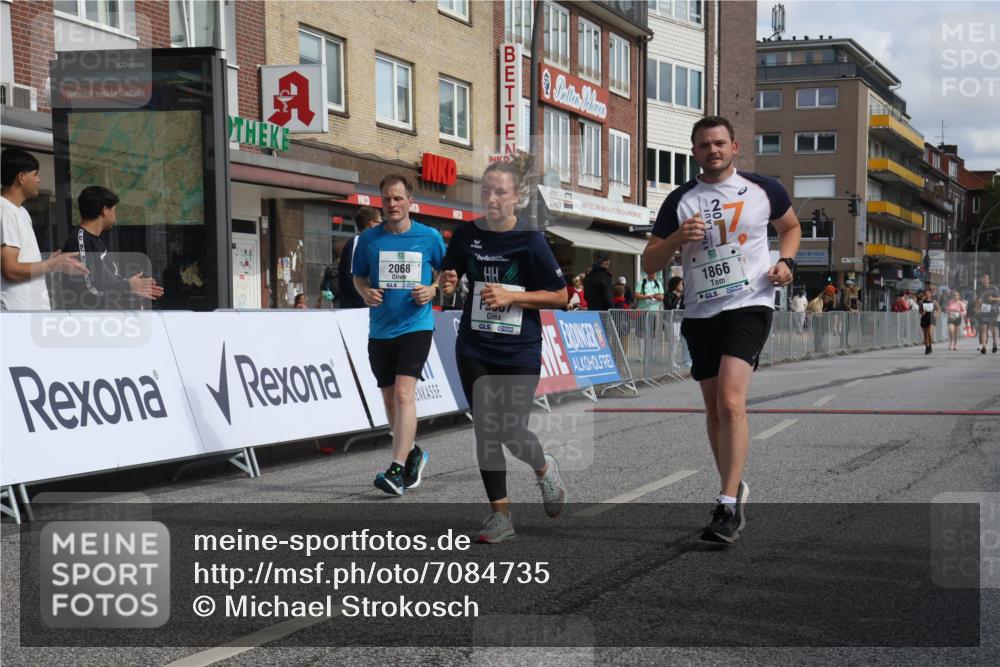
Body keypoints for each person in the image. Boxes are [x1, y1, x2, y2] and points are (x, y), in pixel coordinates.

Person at [642, 116, 801, 544]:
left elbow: (791, 227)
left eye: (719, 143)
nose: (712, 150)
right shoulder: (680, 199)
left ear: (734, 146)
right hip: (700, 311)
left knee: (732, 402)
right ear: (694, 152)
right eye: (703, 145)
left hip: (750, 303)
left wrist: (786, 262)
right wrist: (676, 237)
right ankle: (734, 486)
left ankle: (727, 505)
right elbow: (650, 263)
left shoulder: (765, 189)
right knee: (714, 409)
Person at [439, 152, 568, 543]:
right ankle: (500, 516)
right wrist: (446, 283)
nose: (491, 199)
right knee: (487, 430)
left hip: (519, 349)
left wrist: (514, 296)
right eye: (487, 192)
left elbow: (561, 296)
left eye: (500, 193)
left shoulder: (531, 240)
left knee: (512, 428)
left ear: (516, 197)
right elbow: (451, 275)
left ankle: (544, 467)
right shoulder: (466, 235)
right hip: (475, 345)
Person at [353, 174, 444, 496]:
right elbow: (359, 277)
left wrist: (432, 289)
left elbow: (447, 274)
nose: (392, 204)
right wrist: (366, 293)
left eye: (397, 198)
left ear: (410, 201)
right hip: (380, 329)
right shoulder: (369, 240)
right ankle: (413, 452)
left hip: (416, 326)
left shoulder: (430, 237)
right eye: (387, 199)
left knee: (405, 395)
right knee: (390, 400)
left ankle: (395, 469)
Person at [1, 147, 88, 311]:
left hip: (27, 313)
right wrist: (51, 265)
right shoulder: (5, 211)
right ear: (21, 177)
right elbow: (10, 270)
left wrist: (48, 261)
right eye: (35, 174)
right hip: (15, 313)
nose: (39, 179)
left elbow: (20, 262)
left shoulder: (20, 211)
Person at [55, 186, 163, 310]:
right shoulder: (80, 241)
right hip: (90, 324)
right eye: (114, 210)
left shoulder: (96, 239)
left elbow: (106, 283)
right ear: (105, 210)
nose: (115, 217)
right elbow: (87, 292)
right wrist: (127, 287)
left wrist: (132, 293)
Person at [337, 206, 381, 309]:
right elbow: (353, 277)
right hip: (356, 310)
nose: (382, 227)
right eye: (380, 223)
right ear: (372, 223)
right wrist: (366, 300)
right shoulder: (358, 242)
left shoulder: (365, 243)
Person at [974, 273, 999, 354]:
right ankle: (984, 346)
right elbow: (978, 300)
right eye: (983, 279)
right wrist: (977, 309)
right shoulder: (979, 289)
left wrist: (993, 298)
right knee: (983, 328)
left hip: (993, 310)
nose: (985, 281)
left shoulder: (994, 288)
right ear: (981, 280)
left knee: (993, 328)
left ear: (989, 280)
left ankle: (995, 343)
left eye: (986, 279)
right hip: (984, 311)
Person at [918, 288, 939, 354]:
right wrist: (922, 312)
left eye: (928, 293)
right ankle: (927, 347)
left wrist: (937, 314)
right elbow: (920, 311)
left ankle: (930, 346)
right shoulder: (922, 302)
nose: (927, 295)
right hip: (924, 319)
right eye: (925, 294)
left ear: (930, 294)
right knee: (925, 335)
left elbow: (939, 309)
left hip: (932, 319)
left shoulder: (934, 302)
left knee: (929, 332)